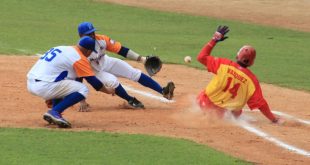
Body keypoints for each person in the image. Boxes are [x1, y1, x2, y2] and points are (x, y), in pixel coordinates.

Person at [76, 22, 175, 111]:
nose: (92, 35)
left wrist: (142, 59)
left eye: (93, 32)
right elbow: (79, 76)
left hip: (106, 62)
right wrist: (82, 100)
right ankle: (130, 100)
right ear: (81, 36)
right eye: (89, 34)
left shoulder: (101, 39)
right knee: (112, 82)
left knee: (134, 73)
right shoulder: (79, 52)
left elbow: (121, 50)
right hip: (95, 72)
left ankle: (163, 91)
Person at [196, 25, 281, 123]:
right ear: (252, 62)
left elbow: (201, 57)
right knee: (237, 110)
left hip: (203, 103)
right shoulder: (251, 80)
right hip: (222, 114)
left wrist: (214, 40)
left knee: (207, 97)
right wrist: (273, 119)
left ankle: (203, 114)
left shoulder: (223, 64)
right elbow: (261, 104)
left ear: (238, 55)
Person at [27, 36, 114, 128]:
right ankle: (55, 112)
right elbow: (93, 82)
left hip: (31, 83)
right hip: (45, 85)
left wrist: (52, 95)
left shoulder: (61, 48)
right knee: (82, 89)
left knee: (66, 83)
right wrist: (108, 90)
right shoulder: (79, 58)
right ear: (88, 51)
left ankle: (54, 113)